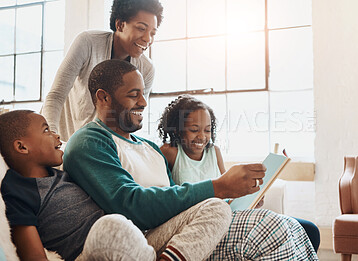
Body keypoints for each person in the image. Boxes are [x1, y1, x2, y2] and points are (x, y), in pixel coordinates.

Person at [63, 59, 319, 260]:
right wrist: (218, 187)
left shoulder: (148, 147)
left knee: (296, 229)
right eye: (133, 94)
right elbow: (131, 205)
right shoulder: (90, 141)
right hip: (145, 237)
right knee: (270, 229)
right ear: (103, 97)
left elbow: (175, 194)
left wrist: (234, 195)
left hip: (183, 227)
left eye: (143, 93)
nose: (143, 101)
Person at [0, 110, 231, 261]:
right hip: (91, 250)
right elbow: (32, 253)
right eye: (46, 130)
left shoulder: (64, 174)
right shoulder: (18, 189)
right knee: (111, 224)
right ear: (22, 147)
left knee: (216, 207)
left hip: (135, 241)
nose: (56, 134)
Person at [158, 94, 321, 252]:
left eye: (207, 130)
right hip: (205, 223)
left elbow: (228, 191)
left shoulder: (214, 152)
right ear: (178, 130)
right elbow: (167, 199)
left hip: (228, 213)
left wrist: (250, 199)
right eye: (194, 130)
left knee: (309, 230)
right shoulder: (170, 152)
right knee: (282, 230)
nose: (202, 136)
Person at [42, 0, 163, 141]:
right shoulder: (88, 43)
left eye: (153, 33)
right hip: (62, 139)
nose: (148, 39)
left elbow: (133, 117)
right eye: (141, 29)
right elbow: (56, 96)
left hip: (101, 147)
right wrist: (51, 137)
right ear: (120, 25)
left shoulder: (146, 69)